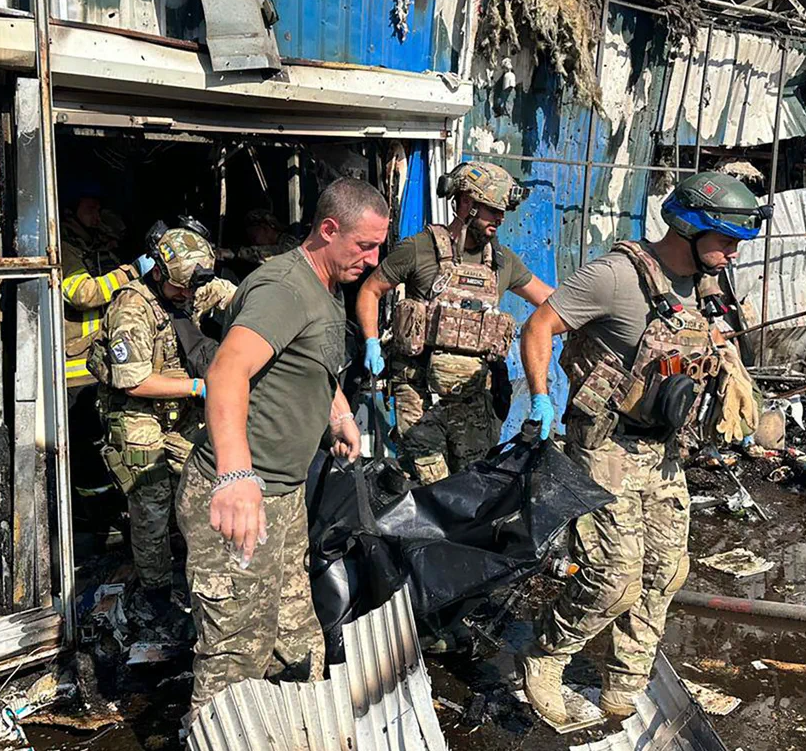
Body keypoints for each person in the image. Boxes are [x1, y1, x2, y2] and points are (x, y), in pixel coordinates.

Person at [518, 172, 772, 724]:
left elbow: (702, 351)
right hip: (605, 448)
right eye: (726, 240)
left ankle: (623, 683)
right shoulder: (614, 277)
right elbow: (538, 326)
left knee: (664, 572)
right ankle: (545, 658)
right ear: (688, 228)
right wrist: (540, 398)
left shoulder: (706, 287)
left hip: (664, 452)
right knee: (614, 575)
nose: (733, 253)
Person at [176, 178, 389, 716]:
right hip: (240, 497)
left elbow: (309, 360)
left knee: (296, 640)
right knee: (236, 660)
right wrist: (235, 476)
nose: (373, 260)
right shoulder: (285, 289)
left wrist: (339, 414)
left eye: (378, 247)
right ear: (328, 230)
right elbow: (226, 372)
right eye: (365, 246)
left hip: (284, 496)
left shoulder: (325, 287)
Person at [355, 161, 553, 484]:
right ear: (465, 203)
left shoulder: (502, 261)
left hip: (471, 401)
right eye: (492, 210)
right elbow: (370, 290)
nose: (500, 219)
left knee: (472, 487)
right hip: (419, 394)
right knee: (426, 486)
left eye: (502, 212)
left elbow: (552, 303)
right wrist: (371, 341)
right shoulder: (419, 249)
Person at [92, 223, 223, 611]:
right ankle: (158, 592)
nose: (188, 296)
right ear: (159, 273)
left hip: (178, 412)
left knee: (209, 478)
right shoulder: (132, 308)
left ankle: (210, 576)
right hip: (137, 412)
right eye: (180, 289)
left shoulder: (192, 288)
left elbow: (237, 296)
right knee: (152, 503)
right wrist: (198, 387)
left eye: (191, 289)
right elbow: (135, 382)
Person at [61, 186, 153, 393]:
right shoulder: (64, 249)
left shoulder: (94, 248)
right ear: (69, 211)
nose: (97, 216)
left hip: (99, 365)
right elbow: (82, 294)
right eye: (90, 209)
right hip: (78, 372)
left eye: (98, 209)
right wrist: (131, 272)